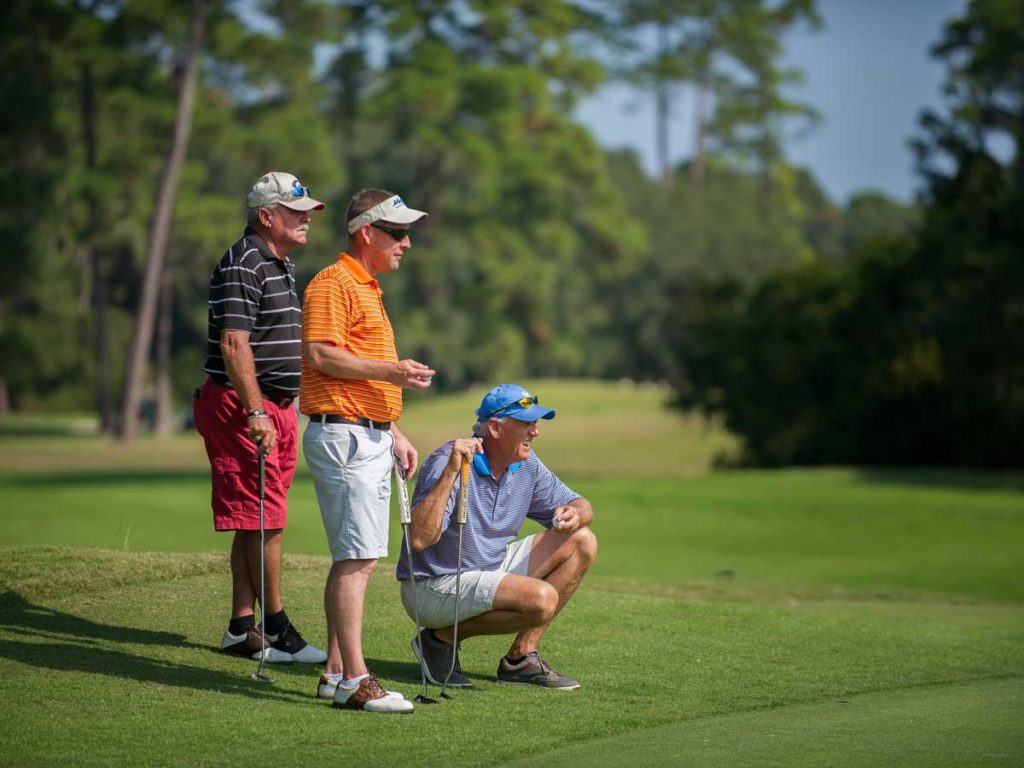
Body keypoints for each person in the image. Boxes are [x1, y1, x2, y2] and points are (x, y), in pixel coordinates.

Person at [300, 189, 435, 714]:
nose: (407, 243)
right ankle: (357, 680)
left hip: (368, 432)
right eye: (398, 233)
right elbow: (320, 354)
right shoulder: (334, 283)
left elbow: (354, 366)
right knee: (355, 560)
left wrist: (393, 428)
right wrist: (393, 372)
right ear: (367, 232)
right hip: (345, 437)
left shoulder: (368, 287)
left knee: (359, 558)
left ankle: (335, 673)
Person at [193, 171, 327, 665]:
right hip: (244, 405)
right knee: (264, 520)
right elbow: (234, 343)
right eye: (296, 213)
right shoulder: (244, 262)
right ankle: (276, 626)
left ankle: (241, 627)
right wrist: (255, 411)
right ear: (266, 216)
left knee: (255, 520)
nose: (306, 220)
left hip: (273, 406)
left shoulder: (279, 262)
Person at [399, 383, 597, 690]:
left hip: (488, 568)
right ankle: (438, 640)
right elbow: (419, 539)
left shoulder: (526, 465)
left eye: (535, 423)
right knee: (542, 601)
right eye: (526, 423)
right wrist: (452, 471)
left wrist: (576, 515)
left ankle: (520, 658)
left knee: (583, 540)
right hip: (433, 584)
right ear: (494, 427)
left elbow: (581, 504)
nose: (535, 432)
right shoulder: (449, 460)